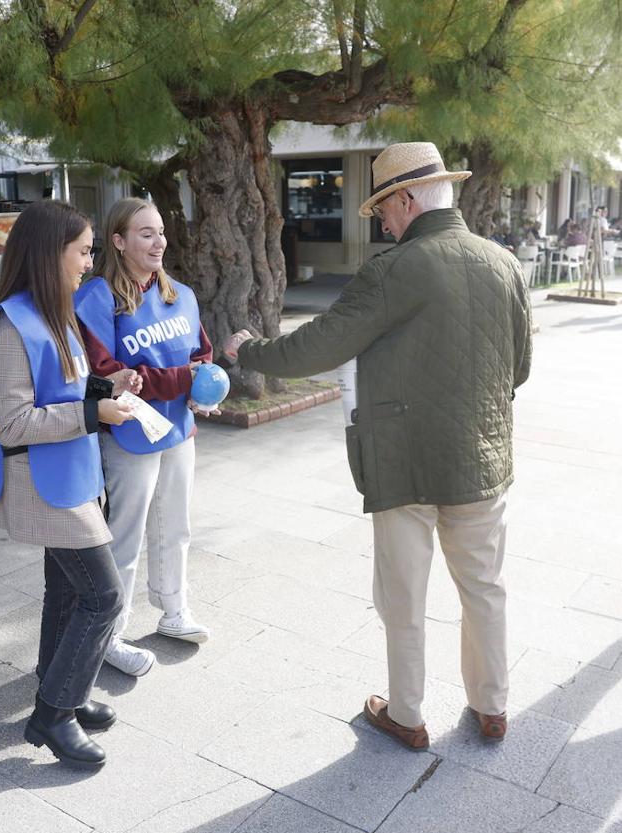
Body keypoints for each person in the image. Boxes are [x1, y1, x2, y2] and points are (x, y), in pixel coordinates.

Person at [224, 142, 532, 750]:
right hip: (484, 458)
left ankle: (408, 715)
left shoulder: (394, 270)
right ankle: (492, 708)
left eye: (383, 208)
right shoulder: (504, 264)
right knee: (485, 588)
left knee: (403, 595)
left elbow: (319, 346)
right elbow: (518, 368)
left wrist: (248, 351)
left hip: (404, 462)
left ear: (409, 199)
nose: (381, 221)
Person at [0, 200, 139, 769]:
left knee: (67, 590)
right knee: (104, 596)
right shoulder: (10, 325)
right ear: (49, 253)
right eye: (84, 251)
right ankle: (53, 714)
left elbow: (60, 388)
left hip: (70, 474)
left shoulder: (53, 312)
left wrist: (101, 388)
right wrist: (96, 416)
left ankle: (59, 687)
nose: (89, 263)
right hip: (42, 481)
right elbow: (13, 422)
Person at [74, 197, 216, 678]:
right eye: (145, 234)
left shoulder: (182, 294)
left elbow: (203, 356)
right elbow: (106, 372)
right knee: (126, 535)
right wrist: (182, 379)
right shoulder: (96, 298)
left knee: (175, 525)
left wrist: (201, 388)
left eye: (160, 232)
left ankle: (174, 609)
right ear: (118, 241)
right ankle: (110, 633)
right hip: (130, 433)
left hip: (178, 429)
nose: (159, 242)